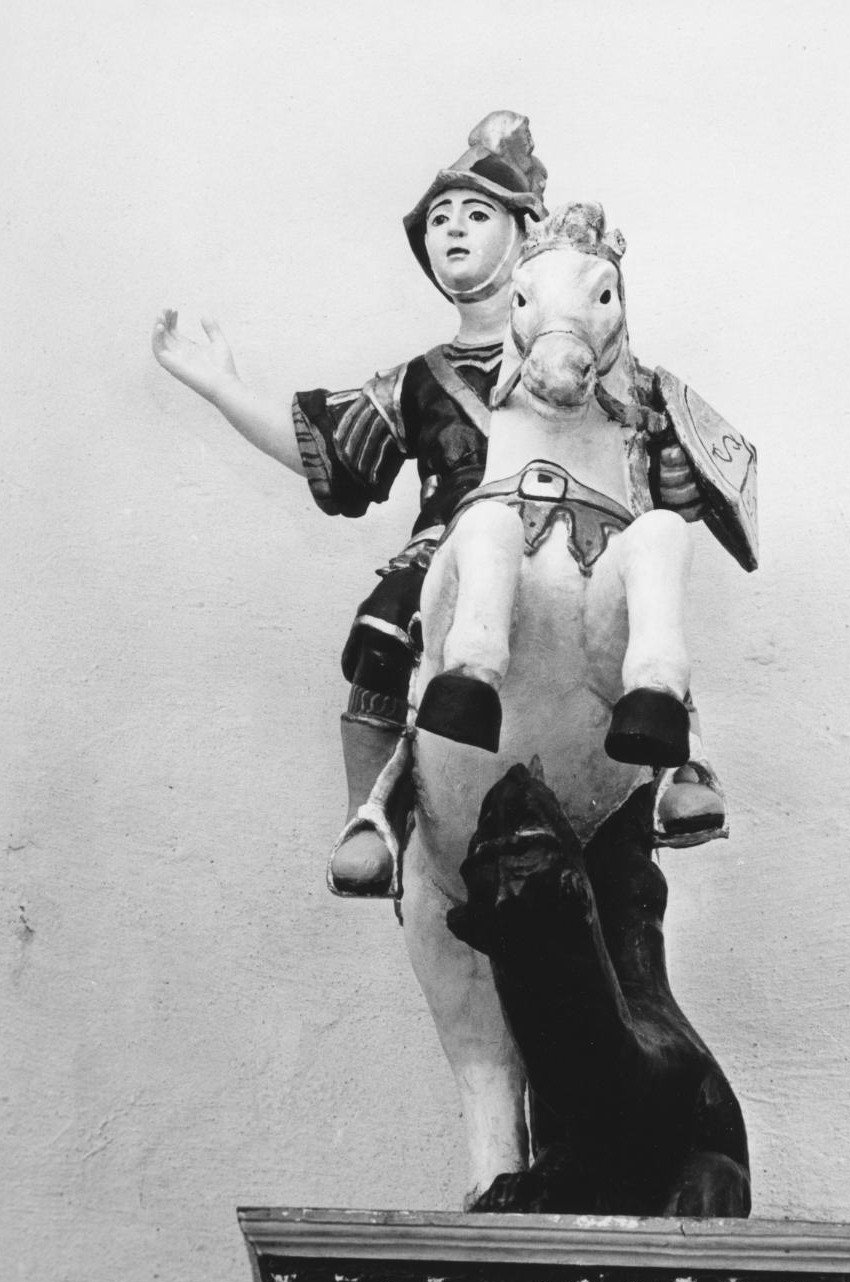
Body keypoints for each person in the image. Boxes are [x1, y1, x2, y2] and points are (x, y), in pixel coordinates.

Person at [152, 111, 728, 901]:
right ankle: (374, 814)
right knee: (388, 618)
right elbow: (325, 445)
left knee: (650, 565)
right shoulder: (420, 381)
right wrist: (223, 386)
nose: (451, 228)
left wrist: (679, 478)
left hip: (592, 543)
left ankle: (680, 764)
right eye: (438, 218)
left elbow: (671, 478)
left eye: (476, 213)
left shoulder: (600, 360)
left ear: (526, 234)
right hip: (450, 548)